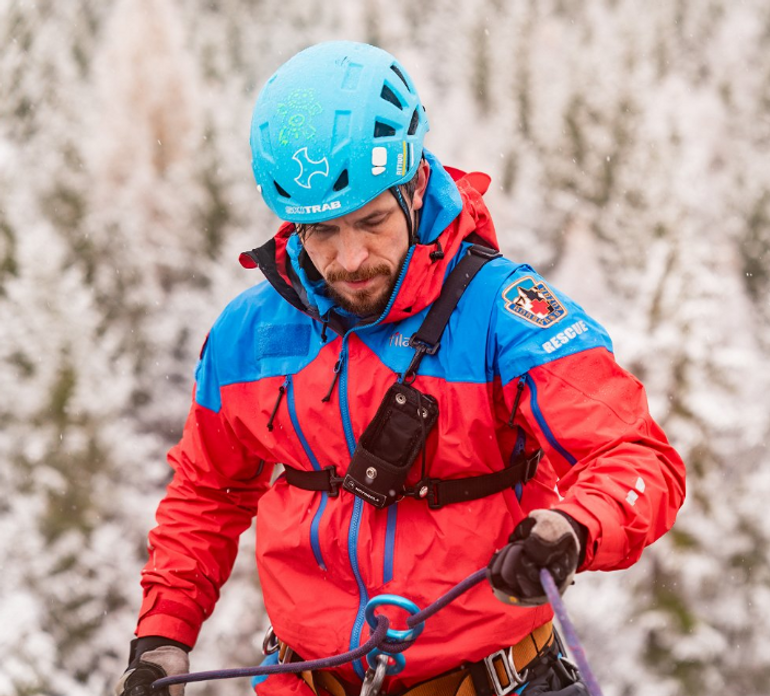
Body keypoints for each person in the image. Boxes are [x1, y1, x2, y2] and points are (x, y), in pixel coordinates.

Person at [115, 41, 686, 696]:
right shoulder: (249, 336)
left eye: (372, 221)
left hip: (497, 682)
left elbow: (639, 458)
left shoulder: (503, 313)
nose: (350, 257)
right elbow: (207, 493)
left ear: (414, 184)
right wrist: (164, 635)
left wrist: (575, 526)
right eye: (320, 231)